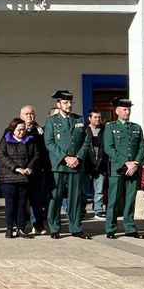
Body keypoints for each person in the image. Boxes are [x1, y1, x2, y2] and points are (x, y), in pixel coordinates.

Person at [44, 90, 90, 239]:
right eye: (65, 102)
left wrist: (78, 157)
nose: (69, 105)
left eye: (70, 102)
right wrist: (65, 158)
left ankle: (75, 227)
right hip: (59, 165)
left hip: (76, 165)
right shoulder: (51, 121)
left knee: (75, 198)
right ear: (58, 104)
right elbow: (49, 142)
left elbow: (86, 141)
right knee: (56, 197)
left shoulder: (79, 119)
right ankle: (54, 227)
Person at [103, 98, 144, 239]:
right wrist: (126, 162)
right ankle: (111, 228)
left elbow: (142, 148)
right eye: (124, 109)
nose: (127, 112)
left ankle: (130, 228)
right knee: (114, 199)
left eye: (128, 109)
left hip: (133, 169)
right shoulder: (110, 127)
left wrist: (135, 163)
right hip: (118, 168)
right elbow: (109, 148)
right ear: (117, 111)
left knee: (130, 199)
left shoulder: (136, 127)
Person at [0, 118, 39, 238]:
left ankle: (21, 227)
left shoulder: (30, 140)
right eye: (19, 130)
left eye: (23, 129)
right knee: (10, 203)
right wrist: (15, 168)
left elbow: (36, 155)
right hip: (8, 177)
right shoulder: (5, 140)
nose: (22, 132)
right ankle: (9, 228)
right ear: (13, 130)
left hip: (24, 177)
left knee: (22, 203)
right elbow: (1, 156)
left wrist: (30, 167)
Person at [20, 104, 50, 234]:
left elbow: (43, 151)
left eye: (32, 114)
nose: (29, 116)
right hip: (20, 171)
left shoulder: (40, 131)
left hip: (36, 170)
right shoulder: (13, 129)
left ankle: (37, 225)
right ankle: (21, 225)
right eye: (26, 114)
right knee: (21, 200)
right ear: (21, 116)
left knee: (36, 200)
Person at [84, 109, 108, 219]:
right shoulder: (84, 129)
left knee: (99, 190)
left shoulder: (104, 130)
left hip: (101, 163)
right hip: (86, 164)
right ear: (90, 118)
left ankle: (98, 210)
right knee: (84, 190)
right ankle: (81, 210)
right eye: (95, 117)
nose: (98, 119)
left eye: (99, 117)